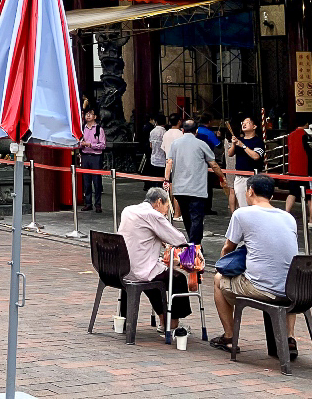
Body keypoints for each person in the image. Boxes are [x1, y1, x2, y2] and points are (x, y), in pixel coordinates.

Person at [211, 174, 300, 356]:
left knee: (218, 280)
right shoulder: (288, 217)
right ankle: (289, 338)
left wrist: (223, 264)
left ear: (250, 191)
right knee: (284, 278)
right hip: (295, 291)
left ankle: (229, 338)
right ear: (272, 196)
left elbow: (228, 247)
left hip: (262, 288)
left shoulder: (242, 214)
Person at [119, 187, 198, 331]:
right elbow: (178, 239)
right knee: (178, 279)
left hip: (122, 269)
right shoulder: (152, 214)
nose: (166, 212)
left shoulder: (128, 210)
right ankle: (173, 323)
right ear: (159, 202)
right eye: (167, 207)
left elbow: (141, 234)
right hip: (140, 270)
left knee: (155, 278)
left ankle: (162, 319)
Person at [163, 120, 224, 247]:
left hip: (180, 189)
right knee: (197, 218)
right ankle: (194, 246)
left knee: (187, 217)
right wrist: (222, 177)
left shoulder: (175, 144)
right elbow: (213, 164)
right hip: (197, 189)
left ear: (183, 130)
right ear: (196, 131)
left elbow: (169, 162)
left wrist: (166, 179)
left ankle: (193, 244)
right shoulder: (201, 144)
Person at [226, 116, 266, 212]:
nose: (244, 124)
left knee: (254, 204)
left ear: (254, 126)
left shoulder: (258, 141)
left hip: (253, 177)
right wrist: (234, 144)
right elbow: (230, 154)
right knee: (242, 205)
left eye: (247, 122)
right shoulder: (239, 139)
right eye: (243, 122)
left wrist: (243, 146)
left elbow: (256, 156)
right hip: (239, 176)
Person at [78, 110, 106, 213]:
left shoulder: (99, 129)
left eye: (90, 114)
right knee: (86, 181)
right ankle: (88, 203)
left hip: (96, 157)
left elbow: (103, 145)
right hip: (85, 156)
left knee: (97, 181)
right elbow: (78, 142)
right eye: (86, 114)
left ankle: (98, 204)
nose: (88, 116)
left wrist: (91, 145)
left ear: (95, 116)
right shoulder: (82, 129)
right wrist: (82, 144)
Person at [147, 114, 167, 179]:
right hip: (163, 161)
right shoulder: (165, 132)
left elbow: (151, 145)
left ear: (156, 122)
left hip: (154, 159)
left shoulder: (152, 132)